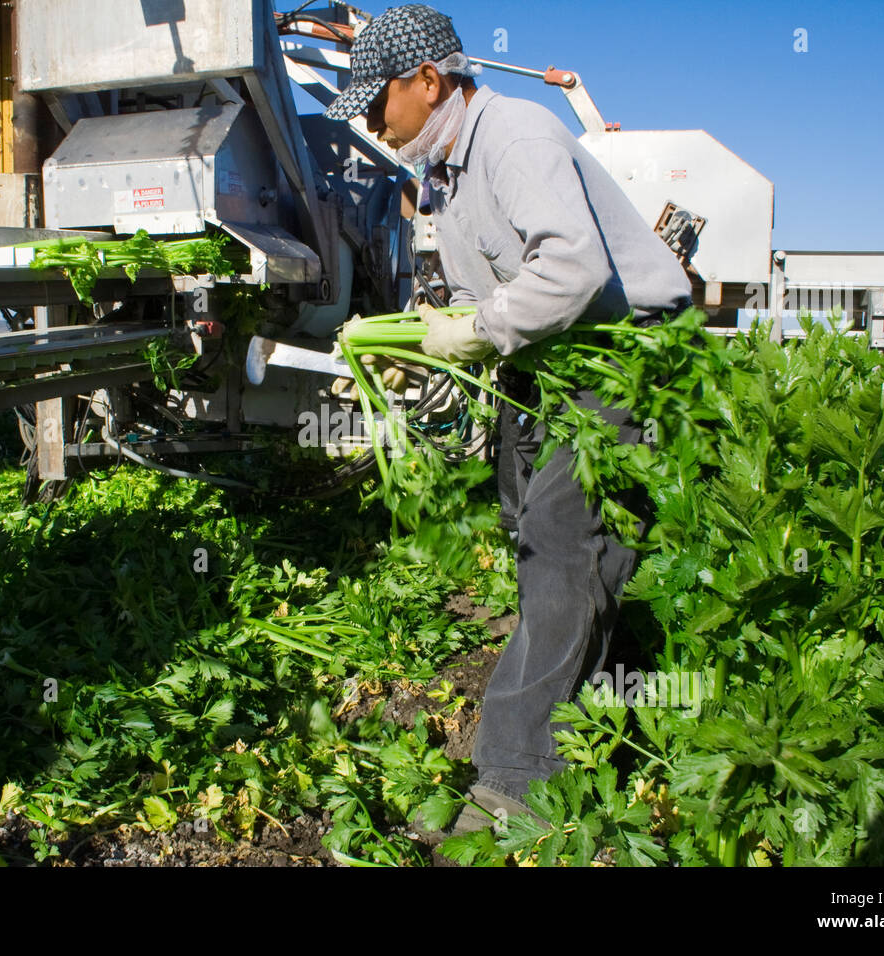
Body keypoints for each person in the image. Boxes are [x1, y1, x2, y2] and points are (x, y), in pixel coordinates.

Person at [324, 4, 693, 836]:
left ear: (428, 81)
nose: (375, 124)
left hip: (614, 352)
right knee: (526, 526)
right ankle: (592, 714)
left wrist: (477, 330)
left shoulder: (514, 136)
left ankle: (515, 783)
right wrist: (414, 348)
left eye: (378, 103)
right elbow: (471, 296)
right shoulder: (446, 176)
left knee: (564, 539)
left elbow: (569, 267)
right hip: (546, 357)